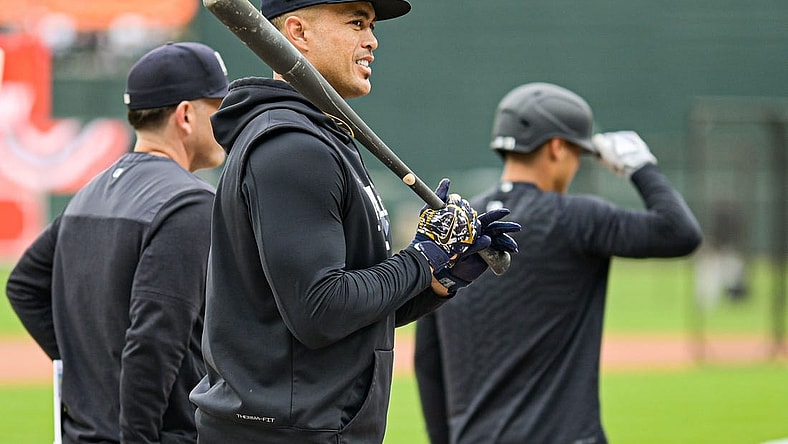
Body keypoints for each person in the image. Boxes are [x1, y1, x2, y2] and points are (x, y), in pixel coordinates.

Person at [188, 1, 519, 443]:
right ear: (297, 32)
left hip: (308, 426)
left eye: (372, 25)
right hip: (287, 434)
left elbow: (355, 313)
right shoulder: (292, 147)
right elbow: (321, 310)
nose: (372, 40)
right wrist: (423, 256)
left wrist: (439, 277)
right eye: (356, 23)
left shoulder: (322, 139)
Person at [414, 82, 703, 444]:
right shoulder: (576, 218)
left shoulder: (456, 226)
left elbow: (428, 363)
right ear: (556, 148)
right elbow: (680, 233)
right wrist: (641, 167)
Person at [5, 42, 230, 443]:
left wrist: (87, 368)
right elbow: (153, 341)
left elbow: (24, 285)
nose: (228, 120)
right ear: (185, 115)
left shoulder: (90, 192)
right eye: (217, 107)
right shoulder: (189, 202)